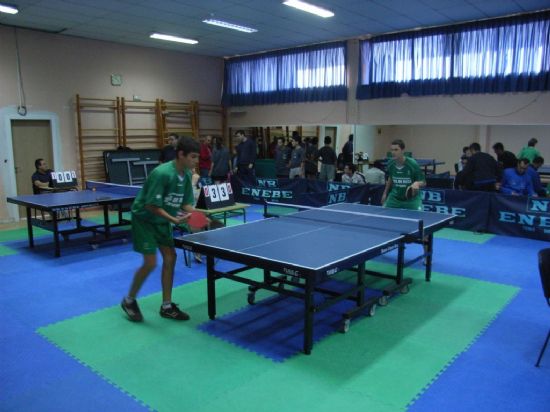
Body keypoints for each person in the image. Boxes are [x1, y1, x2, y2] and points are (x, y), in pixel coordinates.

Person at [121, 136, 200, 322]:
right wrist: (174, 219)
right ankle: (128, 300)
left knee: (171, 258)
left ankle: (166, 306)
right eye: (193, 157)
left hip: (162, 220)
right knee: (150, 263)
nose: (196, 161)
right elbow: (151, 206)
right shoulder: (162, 173)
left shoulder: (187, 174)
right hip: (145, 219)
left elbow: (186, 203)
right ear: (181, 154)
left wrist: (199, 215)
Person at [381, 140, 425, 211]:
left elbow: (424, 182)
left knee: (419, 218)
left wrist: (417, 183)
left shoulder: (413, 164)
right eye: (392, 150)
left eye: (396, 150)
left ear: (402, 151)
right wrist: (385, 193)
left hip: (411, 200)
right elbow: (391, 178)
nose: (393, 152)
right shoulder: (390, 164)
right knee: (383, 215)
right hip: (395, 198)